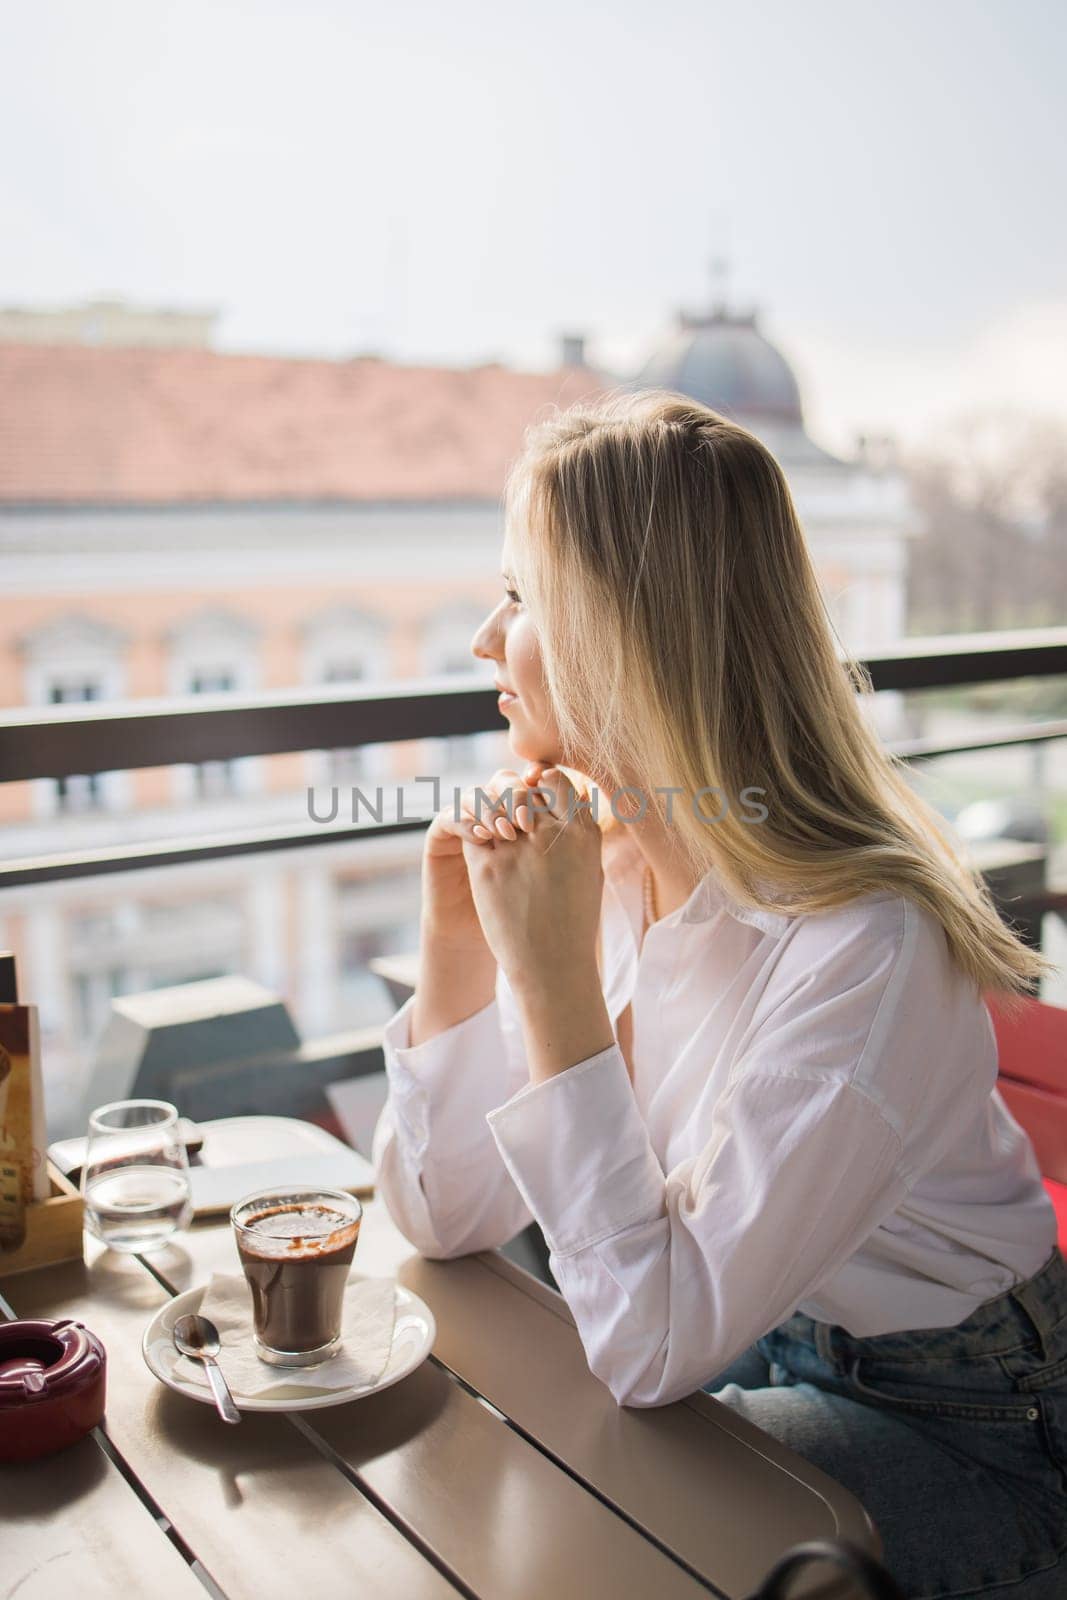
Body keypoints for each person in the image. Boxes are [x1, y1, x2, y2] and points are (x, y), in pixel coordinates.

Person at [371, 391, 1067, 1598]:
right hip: (756, 1341)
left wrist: (544, 980)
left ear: (626, 633)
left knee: (552, 1535)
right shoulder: (594, 856)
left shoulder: (864, 946)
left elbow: (647, 1345)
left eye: (521, 597)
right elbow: (441, 1219)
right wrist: (456, 942)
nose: (486, 638)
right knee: (470, 1478)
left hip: (974, 1426)